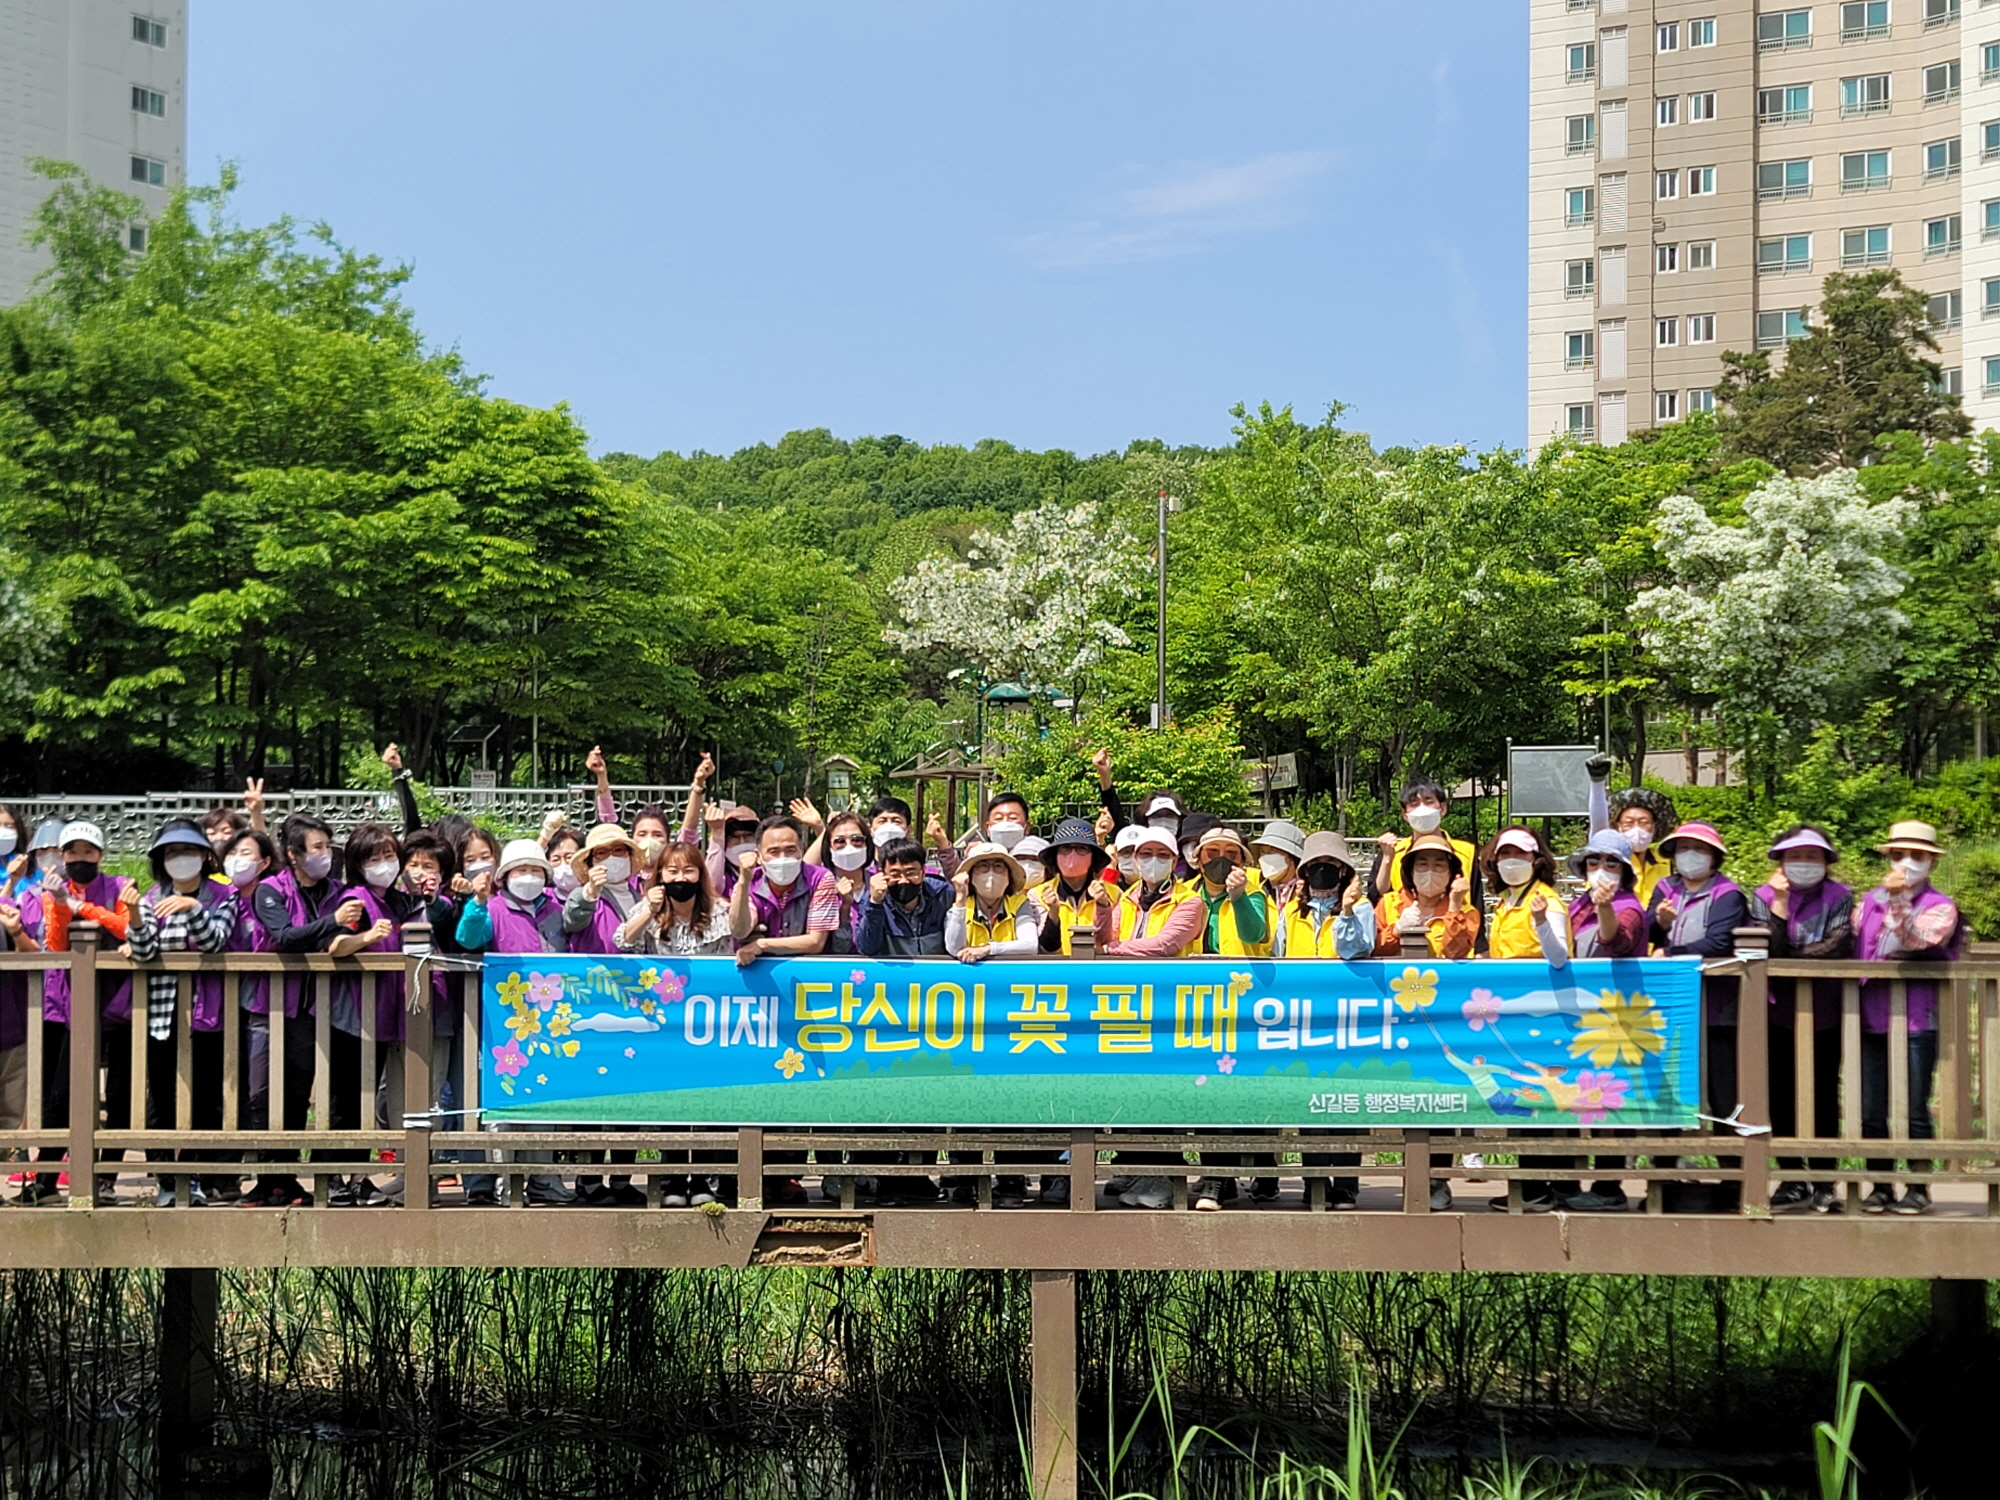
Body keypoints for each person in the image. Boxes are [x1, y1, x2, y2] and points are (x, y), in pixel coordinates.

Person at [455, 838, 576, 1207]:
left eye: (536, 870)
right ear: (504, 876)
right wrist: (476, 903)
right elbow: (468, 938)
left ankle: (542, 1178)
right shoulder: (491, 907)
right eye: (520, 871)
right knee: (501, 1103)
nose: (528, 877)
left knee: (544, 1102)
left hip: (550, 1023)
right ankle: (504, 1180)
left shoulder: (557, 908)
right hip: (503, 1023)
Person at [125, 820, 239, 1207]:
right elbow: (142, 953)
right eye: (172, 853)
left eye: (188, 851)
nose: (181, 859)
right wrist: (134, 917)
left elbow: (214, 941)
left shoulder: (224, 895)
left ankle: (197, 1176)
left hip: (208, 1010)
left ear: (206, 855)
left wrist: (193, 907)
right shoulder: (151, 896)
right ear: (160, 860)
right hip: (161, 1009)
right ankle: (165, 1178)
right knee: (161, 1094)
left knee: (205, 1096)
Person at [1855, 821, 1964, 1217]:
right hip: (1870, 1017)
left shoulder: (1942, 906)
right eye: (1899, 854)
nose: (1906, 863)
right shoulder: (1867, 901)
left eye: (1917, 856)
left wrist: (1899, 900)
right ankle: (1880, 1185)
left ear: (1931, 863)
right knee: (1871, 1108)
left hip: (1917, 1017)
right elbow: (1858, 948)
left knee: (1915, 1107)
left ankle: (1918, 1187)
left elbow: (1917, 940)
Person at [1545, 830, 1655, 1215]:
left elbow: (1619, 941)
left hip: (1616, 1016)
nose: (1601, 869)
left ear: (1624, 872)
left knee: (1610, 1100)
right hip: (1576, 1016)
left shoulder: (1628, 906)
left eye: (1611, 863)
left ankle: (1609, 1184)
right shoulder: (1577, 906)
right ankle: (1565, 1182)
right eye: (1594, 862)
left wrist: (1605, 907)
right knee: (1571, 1094)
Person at [248, 816, 353, 1207]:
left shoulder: (338, 891)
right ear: (293, 855)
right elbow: (284, 937)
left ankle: (287, 1177)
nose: (325, 854)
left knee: (295, 1093)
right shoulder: (269, 891)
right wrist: (332, 922)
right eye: (316, 847)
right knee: (260, 1093)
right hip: (268, 1004)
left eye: (328, 846)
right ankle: (265, 1177)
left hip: (309, 1008)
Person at [1648, 820, 1749, 1213]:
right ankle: (1664, 1178)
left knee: (1723, 1096)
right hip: (1670, 1012)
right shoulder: (1664, 890)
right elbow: (1647, 934)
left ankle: (1735, 1180)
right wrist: (1659, 923)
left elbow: (1720, 941)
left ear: (1714, 856)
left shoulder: (1728, 895)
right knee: (1668, 1095)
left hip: (1716, 1010)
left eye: (1699, 848)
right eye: (1683, 847)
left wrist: (1670, 952)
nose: (1690, 854)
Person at [1751, 826, 1851, 1215]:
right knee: (1779, 1094)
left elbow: (1838, 944)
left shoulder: (1840, 897)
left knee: (1824, 1094)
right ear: (1781, 861)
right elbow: (1766, 948)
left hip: (1825, 1011)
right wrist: (1778, 903)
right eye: (1796, 857)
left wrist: (1790, 958)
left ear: (1826, 862)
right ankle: (1793, 1176)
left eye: (1813, 857)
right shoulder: (1761, 897)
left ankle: (1825, 1180)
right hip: (1775, 1010)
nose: (1804, 864)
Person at [37, 822, 138, 1205]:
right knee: (60, 1094)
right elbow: (56, 942)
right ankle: (46, 1176)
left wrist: (81, 907)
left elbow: (128, 926)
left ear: (100, 855)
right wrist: (62, 905)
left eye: (88, 852)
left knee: (120, 1092)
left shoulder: (121, 885)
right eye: (73, 853)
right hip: (70, 1003)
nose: (80, 859)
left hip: (120, 1002)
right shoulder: (53, 891)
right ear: (63, 856)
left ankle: (108, 1175)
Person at [1273, 832, 1374, 1208]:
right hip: (1302, 1021)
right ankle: (1314, 1182)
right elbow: (1279, 960)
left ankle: (1346, 1184)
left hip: (1348, 1020)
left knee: (1348, 1103)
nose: (1321, 873)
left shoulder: (1361, 908)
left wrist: (1345, 910)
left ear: (1344, 871)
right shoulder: (1290, 913)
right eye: (1314, 867)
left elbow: (1355, 950)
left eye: (1329, 867)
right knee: (1308, 1104)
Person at [1367, 778, 1482, 919]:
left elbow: (1477, 904)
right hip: (1403, 935)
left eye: (1429, 801)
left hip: (1454, 933)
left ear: (1443, 808)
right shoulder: (1393, 852)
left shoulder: (1466, 852)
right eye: (1414, 804)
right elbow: (1376, 898)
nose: (1422, 809)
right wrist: (1386, 860)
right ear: (1405, 814)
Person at [1097, 828, 1204, 959]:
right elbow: (1105, 939)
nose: (1154, 860)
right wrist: (1102, 907)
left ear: (1174, 861)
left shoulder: (1189, 900)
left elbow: (1165, 945)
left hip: (1169, 977)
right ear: (1136, 860)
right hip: (1127, 975)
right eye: (1146, 854)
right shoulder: (1127, 898)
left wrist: (1111, 949)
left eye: (1163, 855)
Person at [1585, 757, 1676, 908]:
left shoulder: (1664, 860)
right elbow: (1598, 825)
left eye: (1644, 823)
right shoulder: (1610, 858)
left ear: (1654, 827)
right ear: (1618, 827)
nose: (1637, 829)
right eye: (1628, 823)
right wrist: (1597, 783)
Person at [1373, 832, 1478, 961]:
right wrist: (1396, 930)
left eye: (1439, 865)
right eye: (1422, 865)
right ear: (1411, 870)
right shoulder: (1389, 904)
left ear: (1451, 872)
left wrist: (1454, 908)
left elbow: (1456, 953)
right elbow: (1373, 950)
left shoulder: (1466, 911)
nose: (1430, 871)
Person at [1273, 833, 1376, 960]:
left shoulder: (1361, 907)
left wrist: (1347, 912)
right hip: (1298, 980)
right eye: (1315, 861)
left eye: (1331, 861)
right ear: (1306, 870)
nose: (1322, 868)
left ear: (1343, 869)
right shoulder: (1291, 910)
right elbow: (1277, 956)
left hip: (1343, 979)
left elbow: (1355, 953)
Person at [1479, 826, 1569, 964]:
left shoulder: (1548, 901)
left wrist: (1541, 921)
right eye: (1505, 853)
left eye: (1520, 852)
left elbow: (1559, 958)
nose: (1512, 859)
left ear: (1536, 859)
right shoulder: (1505, 901)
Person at [853, 837, 953, 958]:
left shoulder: (942, 895)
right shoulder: (871, 900)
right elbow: (867, 948)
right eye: (895, 874)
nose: (904, 881)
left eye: (911, 873)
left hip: (937, 974)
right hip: (893, 974)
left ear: (923, 872)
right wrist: (875, 904)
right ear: (882, 873)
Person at [945, 842, 1044, 963]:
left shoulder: (1019, 903)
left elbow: (1030, 945)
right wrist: (960, 901)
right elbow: (954, 949)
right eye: (983, 866)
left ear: (1009, 876)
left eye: (998, 866)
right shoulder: (962, 906)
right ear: (970, 876)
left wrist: (988, 949)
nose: (991, 873)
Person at [1034, 818, 1115, 956]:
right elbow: (1046, 949)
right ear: (1055, 856)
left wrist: (1103, 905)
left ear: (1093, 857)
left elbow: (1109, 944)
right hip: (1055, 973)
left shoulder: (1114, 894)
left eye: (1081, 848)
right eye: (1065, 848)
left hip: (1100, 972)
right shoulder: (1038, 894)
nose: (1072, 855)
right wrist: (1053, 913)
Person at [1188, 825, 1272, 958]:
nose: (1221, 858)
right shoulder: (1184, 894)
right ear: (1198, 861)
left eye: (1231, 854)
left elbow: (1253, 936)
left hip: (1240, 975)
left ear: (1241, 862)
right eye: (1213, 852)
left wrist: (1238, 896)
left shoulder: (1253, 894)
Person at [562, 824, 643, 955]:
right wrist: (591, 892)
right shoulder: (584, 895)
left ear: (629, 856)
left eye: (618, 850)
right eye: (601, 853)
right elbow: (572, 921)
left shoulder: (640, 898)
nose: (611, 857)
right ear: (591, 863)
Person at [816, 809, 870, 955]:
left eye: (857, 840)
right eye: (840, 841)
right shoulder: (818, 886)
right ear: (829, 846)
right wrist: (843, 908)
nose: (849, 846)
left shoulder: (879, 882)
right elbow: (838, 949)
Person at [1250, 819, 1306, 917]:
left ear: (1292, 857)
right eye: (1263, 852)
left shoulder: (1306, 894)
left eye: (1273, 851)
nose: (1266, 857)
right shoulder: (1256, 894)